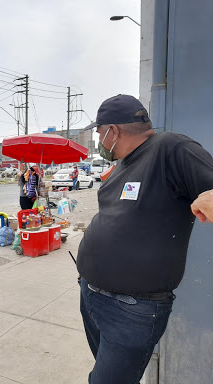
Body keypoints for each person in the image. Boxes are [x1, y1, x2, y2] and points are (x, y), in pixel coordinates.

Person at [77, 94, 213, 384]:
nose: (99, 140)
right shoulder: (124, 164)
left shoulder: (171, 148)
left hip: (130, 309)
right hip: (91, 293)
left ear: (113, 131)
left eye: (99, 132)